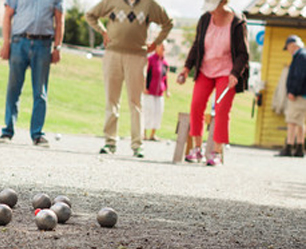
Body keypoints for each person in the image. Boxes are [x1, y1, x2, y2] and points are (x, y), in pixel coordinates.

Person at [86, 0, 173, 158]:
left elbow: (168, 23)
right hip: (113, 54)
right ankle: (110, 142)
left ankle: (137, 145)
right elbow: (90, 15)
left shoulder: (149, 4)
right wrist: (103, 32)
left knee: (136, 102)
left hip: (137, 57)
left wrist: (156, 43)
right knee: (112, 100)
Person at [177, 0, 249, 166]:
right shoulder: (204, 19)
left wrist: (235, 73)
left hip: (227, 72)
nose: (211, 11)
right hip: (205, 69)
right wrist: (187, 68)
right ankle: (196, 149)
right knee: (196, 105)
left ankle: (216, 152)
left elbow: (243, 53)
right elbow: (197, 45)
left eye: (213, 8)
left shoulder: (237, 22)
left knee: (221, 108)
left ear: (223, 2)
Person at [0, 0, 65, 148]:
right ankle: (7, 131)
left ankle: (37, 134)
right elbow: (7, 15)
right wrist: (6, 44)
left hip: (43, 45)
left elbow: (59, 21)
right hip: (19, 42)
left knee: (40, 92)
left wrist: (57, 47)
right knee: (13, 89)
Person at [277, 35, 306, 158]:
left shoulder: (300, 56)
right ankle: (299, 148)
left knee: (292, 121)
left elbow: (299, 76)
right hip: (303, 95)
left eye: (288, 47)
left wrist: (293, 91)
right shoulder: (302, 55)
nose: (288, 50)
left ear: (292, 45)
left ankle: (289, 147)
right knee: (300, 122)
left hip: (298, 95)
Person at [144, 42, 169, 141]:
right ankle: (144, 133)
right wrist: (144, 87)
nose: (163, 49)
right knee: (148, 111)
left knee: (158, 112)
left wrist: (167, 90)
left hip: (160, 92)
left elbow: (165, 78)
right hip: (149, 90)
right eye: (162, 47)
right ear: (157, 48)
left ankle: (153, 134)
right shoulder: (150, 60)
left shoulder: (165, 63)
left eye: (165, 48)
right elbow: (145, 74)